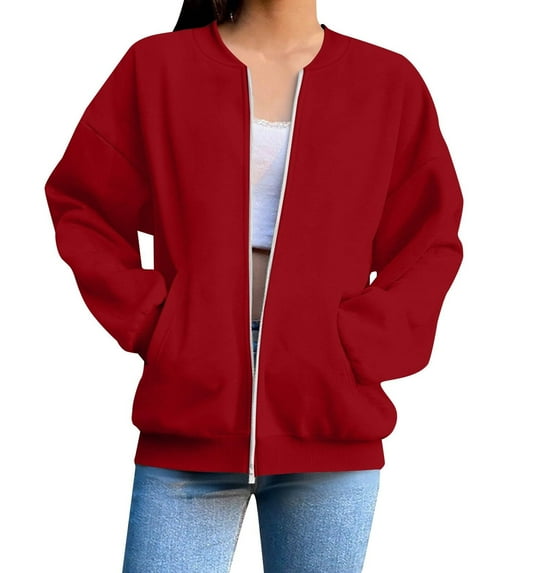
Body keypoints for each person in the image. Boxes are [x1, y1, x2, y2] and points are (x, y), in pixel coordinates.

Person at [44, 0, 464, 571]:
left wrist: (360, 345)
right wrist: (156, 325)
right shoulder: (156, 67)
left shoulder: (389, 81)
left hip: (329, 424)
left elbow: (429, 240)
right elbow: (83, 204)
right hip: (188, 420)